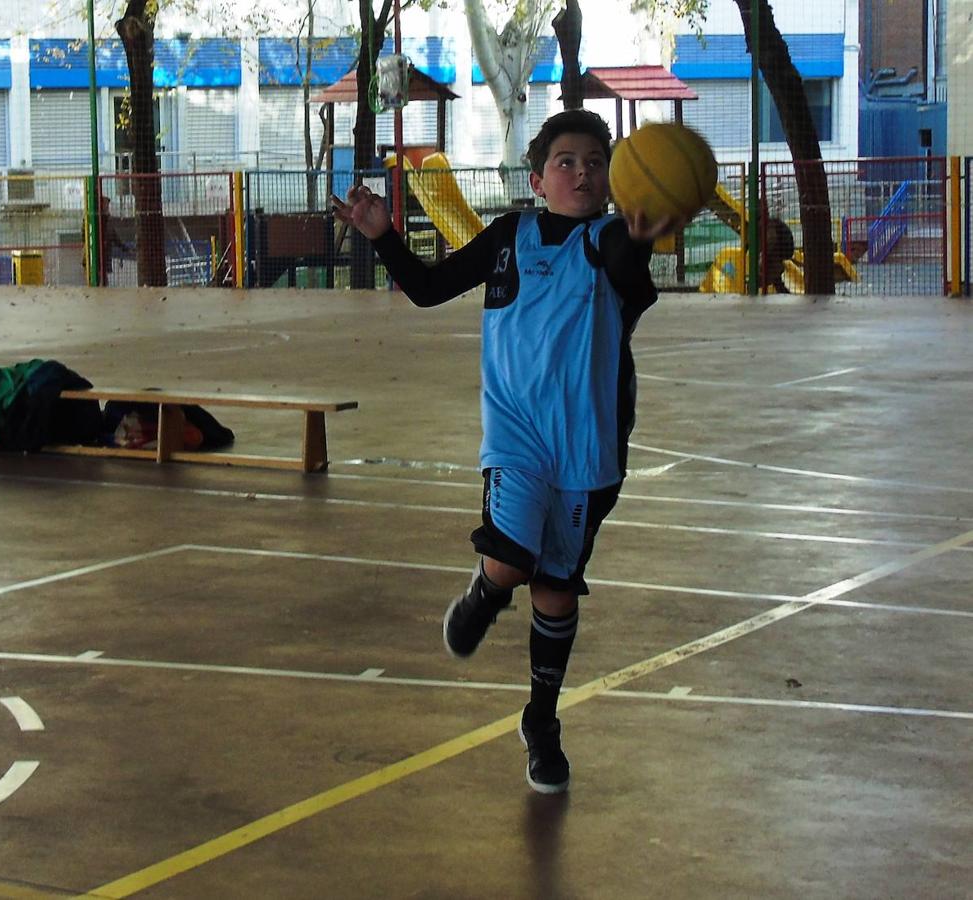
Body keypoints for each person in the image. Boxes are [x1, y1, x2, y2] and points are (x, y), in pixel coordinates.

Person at [332, 109, 681, 795]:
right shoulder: (507, 237)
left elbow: (631, 286)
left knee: (554, 586)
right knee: (511, 560)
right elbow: (431, 290)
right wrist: (383, 236)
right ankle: (486, 590)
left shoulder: (611, 239)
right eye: (566, 161)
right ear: (536, 179)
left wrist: (638, 242)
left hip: (589, 444)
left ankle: (541, 722)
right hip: (516, 435)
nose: (581, 172)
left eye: (593, 161)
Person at [99, 195, 130, 286]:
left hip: (105, 253)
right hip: (100, 254)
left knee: (104, 279)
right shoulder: (101, 219)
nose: (107, 207)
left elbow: (113, 236)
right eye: (105, 205)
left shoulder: (107, 219)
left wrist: (125, 248)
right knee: (101, 278)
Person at [763, 217, 796, 294]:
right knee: (776, 279)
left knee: (773, 275)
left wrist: (765, 254)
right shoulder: (772, 223)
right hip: (784, 249)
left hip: (782, 250)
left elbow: (772, 240)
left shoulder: (769, 225)